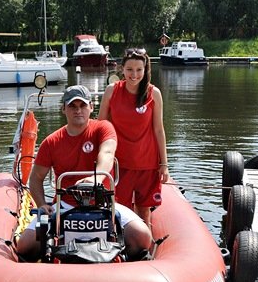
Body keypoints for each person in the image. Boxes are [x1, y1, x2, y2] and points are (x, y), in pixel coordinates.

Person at [18, 84, 153, 260]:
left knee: (142, 236)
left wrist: (96, 178)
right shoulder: (51, 142)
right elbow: (36, 178)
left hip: (103, 204)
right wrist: (42, 204)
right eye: (72, 106)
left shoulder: (103, 128)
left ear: (91, 107)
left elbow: (107, 153)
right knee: (26, 245)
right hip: (65, 205)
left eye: (82, 105)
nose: (78, 110)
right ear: (63, 109)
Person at [98, 48, 169, 226]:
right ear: (122, 69)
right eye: (130, 69)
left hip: (147, 163)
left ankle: (145, 241)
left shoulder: (154, 93)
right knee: (120, 210)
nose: (134, 75)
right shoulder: (112, 91)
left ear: (145, 70)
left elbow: (159, 130)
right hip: (119, 164)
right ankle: (121, 241)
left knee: (144, 211)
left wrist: (164, 164)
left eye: (139, 70)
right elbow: (101, 127)